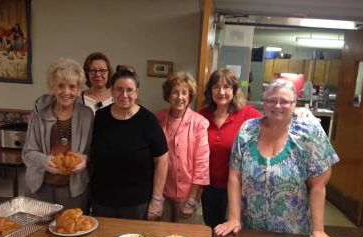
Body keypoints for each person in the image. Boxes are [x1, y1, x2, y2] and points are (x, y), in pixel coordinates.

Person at [215, 79, 346, 237]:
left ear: (294, 104)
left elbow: (318, 185)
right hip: (249, 229)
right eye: (271, 100)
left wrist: (319, 230)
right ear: (264, 103)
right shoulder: (247, 130)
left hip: (293, 234)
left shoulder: (308, 134)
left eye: (284, 101)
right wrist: (233, 218)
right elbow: (234, 177)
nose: (277, 106)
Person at [90, 66, 168, 220]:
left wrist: (157, 200)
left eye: (129, 90)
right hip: (102, 201)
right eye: (119, 89)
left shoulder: (148, 120)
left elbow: (163, 160)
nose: (124, 95)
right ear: (111, 91)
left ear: (136, 92)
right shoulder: (99, 118)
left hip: (137, 203)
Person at [22, 58, 93, 211]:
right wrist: (44, 160)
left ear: (78, 89)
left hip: (73, 190)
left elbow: (91, 151)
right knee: (37, 232)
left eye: (72, 87)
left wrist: (85, 160)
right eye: (60, 86)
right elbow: (27, 153)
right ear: (52, 87)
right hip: (40, 188)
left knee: (71, 229)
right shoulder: (39, 112)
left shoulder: (87, 115)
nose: (66, 92)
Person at [200, 68, 262, 228]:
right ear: (210, 91)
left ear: (234, 90)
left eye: (227, 87)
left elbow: (274, 121)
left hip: (238, 188)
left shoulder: (248, 115)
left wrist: (299, 112)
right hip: (210, 189)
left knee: (235, 232)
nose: (221, 92)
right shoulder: (202, 116)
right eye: (216, 87)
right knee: (213, 229)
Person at [156, 72, 210, 223]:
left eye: (184, 93)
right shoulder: (158, 119)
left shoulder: (199, 123)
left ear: (190, 96)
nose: (180, 97)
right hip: (163, 193)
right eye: (175, 92)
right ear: (168, 95)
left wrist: (191, 199)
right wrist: (156, 196)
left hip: (187, 196)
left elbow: (202, 165)